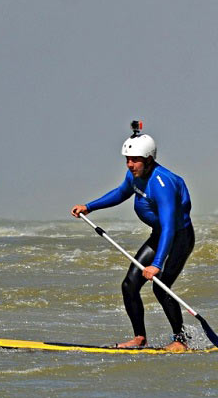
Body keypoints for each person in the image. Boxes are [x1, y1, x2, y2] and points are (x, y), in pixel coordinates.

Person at [71, 123, 194, 351]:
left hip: (179, 238)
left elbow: (168, 227)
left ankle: (181, 340)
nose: (129, 164)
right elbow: (120, 193)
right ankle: (140, 338)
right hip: (159, 236)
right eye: (127, 159)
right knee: (129, 285)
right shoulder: (134, 176)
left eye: (134, 159)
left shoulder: (162, 183)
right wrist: (89, 207)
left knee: (161, 287)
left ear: (148, 159)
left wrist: (157, 264)